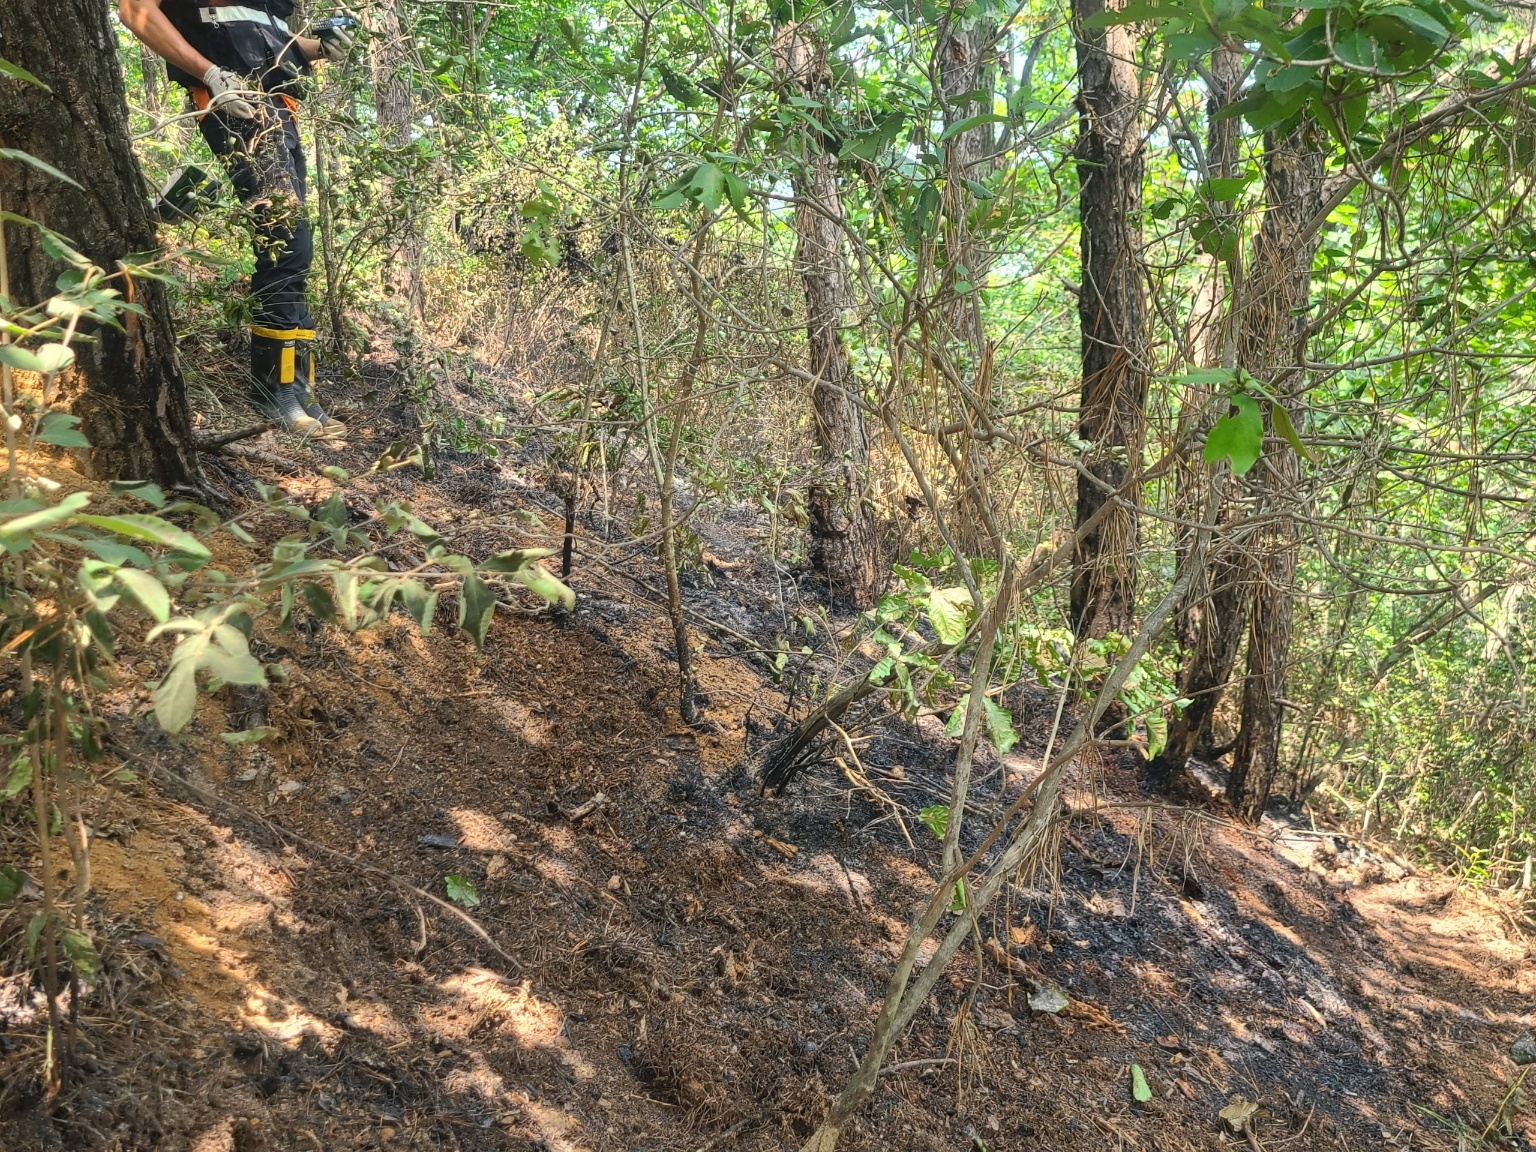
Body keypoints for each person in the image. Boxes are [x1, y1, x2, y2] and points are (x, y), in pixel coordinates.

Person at [119, 0, 355, 438]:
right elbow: (134, 9)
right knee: (286, 240)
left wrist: (320, 47)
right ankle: (274, 393)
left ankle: (298, 389)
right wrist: (210, 74)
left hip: (276, 104)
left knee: (295, 249)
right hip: (232, 101)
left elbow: (265, 40)